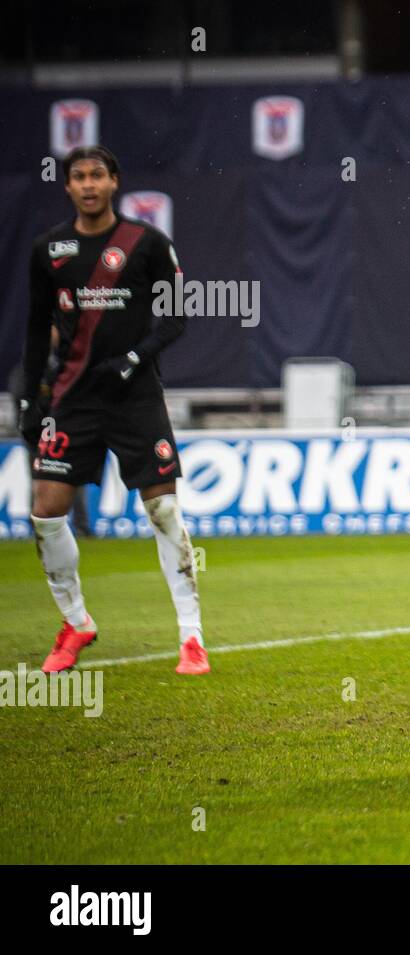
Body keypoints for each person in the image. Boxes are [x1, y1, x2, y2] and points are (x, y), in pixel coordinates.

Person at [19, 145, 208, 674]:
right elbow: (36, 328)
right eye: (78, 177)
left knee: (164, 509)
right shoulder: (48, 250)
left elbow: (175, 318)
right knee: (47, 512)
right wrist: (30, 399)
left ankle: (191, 637)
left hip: (135, 396)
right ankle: (75, 622)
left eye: (96, 175)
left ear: (114, 182)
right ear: (67, 186)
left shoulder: (145, 243)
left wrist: (132, 358)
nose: (87, 185)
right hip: (72, 397)